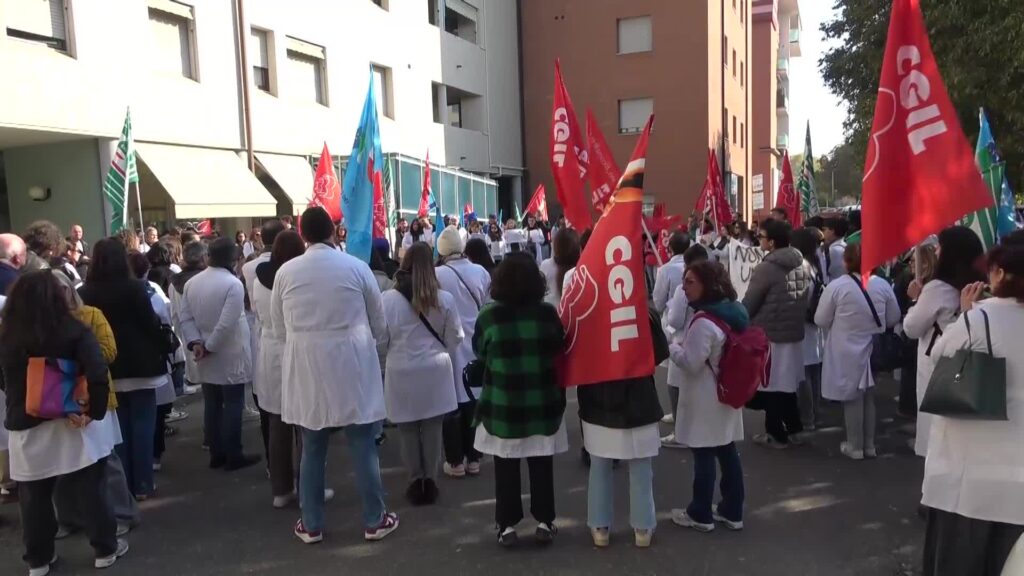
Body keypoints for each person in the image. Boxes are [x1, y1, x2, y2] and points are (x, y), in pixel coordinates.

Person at [271, 207, 398, 544]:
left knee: (313, 446)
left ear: (303, 235)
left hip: (307, 365)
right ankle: (375, 519)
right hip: (352, 363)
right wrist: (376, 355)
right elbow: (379, 325)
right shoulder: (356, 267)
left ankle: (311, 523)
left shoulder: (286, 273)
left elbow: (278, 329)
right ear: (333, 231)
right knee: (362, 443)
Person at [2, 271, 128, 573]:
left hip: (27, 421)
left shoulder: (7, 336)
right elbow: (97, 371)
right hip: (74, 419)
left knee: (34, 497)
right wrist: (94, 411)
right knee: (92, 488)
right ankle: (104, 549)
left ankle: (38, 560)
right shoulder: (74, 329)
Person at [921, 241, 1024, 575]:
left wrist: (965, 315)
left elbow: (938, 359)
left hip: (970, 476)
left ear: (1001, 273)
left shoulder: (980, 318)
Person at [473, 252, 567, 546]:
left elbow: (480, 351)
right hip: (543, 401)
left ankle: (506, 525)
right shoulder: (547, 314)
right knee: (541, 464)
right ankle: (545, 521)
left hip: (503, 404)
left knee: (505, 465)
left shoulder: (488, 316)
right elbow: (559, 347)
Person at [568, 268, 664, 548]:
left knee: (600, 464)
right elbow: (659, 354)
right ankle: (643, 528)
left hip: (598, 399)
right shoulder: (645, 314)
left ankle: (600, 527)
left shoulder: (587, 316)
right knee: (640, 465)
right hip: (639, 397)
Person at [79, 239, 169, 500]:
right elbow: (150, 323)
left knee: (118, 430)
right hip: (142, 364)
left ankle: (124, 486)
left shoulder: (84, 292)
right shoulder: (136, 288)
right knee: (143, 425)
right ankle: (143, 483)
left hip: (105, 366)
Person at [381, 243, 463, 505]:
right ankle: (430, 479)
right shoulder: (444, 299)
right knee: (432, 427)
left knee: (407, 428)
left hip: (401, 368)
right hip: (435, 368)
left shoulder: (388, 300)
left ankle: (416, 479)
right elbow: (456, 337)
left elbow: (381, 338)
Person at [667, 261, 746, 533]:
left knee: (703, 453)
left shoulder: (703, 321)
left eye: (690, 282)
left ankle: (700, 513)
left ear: (707, 284)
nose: (684, 287)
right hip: (727, 391)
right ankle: (732, 510)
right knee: (726, 450)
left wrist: (673, 348)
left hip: (706, 396)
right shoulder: (733, 310)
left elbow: (692, 363)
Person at [177, 238, 260, 472]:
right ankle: (233, 453)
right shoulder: (232, 284)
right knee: (233, 403)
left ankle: (217, 452)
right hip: (229, 350)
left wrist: (197, 343)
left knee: (212, 403)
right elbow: (227, 323)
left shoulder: (192, 283)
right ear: (233, 259)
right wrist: (209, 346)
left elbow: (185, 318)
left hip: (205, 351)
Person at [903, 226, 984, 457]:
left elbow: (911, 328)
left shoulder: (937, 288)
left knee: (936, 434)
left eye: (940, 247)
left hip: (937, 364)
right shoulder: (979, 285)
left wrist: (916, 300)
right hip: (968, 362)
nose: (936, 252)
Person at [815, 244, 900, 460]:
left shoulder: (837, 286)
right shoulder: (882, 284)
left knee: (852, 397)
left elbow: (821, 319)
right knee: (869, 396)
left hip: (845, 349)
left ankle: (855, 446)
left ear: (846, 262)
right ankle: (869, 445)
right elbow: (893, 317)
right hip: (874, 347)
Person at [252, 230, 310, 508]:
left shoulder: (257, 278)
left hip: (270, 350)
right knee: (306, 424)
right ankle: (310, 487)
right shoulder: (298, 277)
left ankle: (281, 489)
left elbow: (258, 312)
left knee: (277, 422)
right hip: (296, 347)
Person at [743, 219, 812, 448]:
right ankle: (794, 429)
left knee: (771, 386)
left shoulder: (766, 268)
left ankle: (775, 434)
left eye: (761, 236)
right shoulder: (804, 264)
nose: (758, 240)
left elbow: (750, 303)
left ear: (772, 242)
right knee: (787, 385)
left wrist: (740, 319)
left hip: (770, 335)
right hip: (793, 333)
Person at [435, 227, 492, 478]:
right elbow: (488, 304)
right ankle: (474, 457)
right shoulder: (480, 271)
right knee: (474, 399)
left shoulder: (436, 274)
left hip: (448, 343)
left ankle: (455, 460)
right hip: (476, 341)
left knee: (451, 402)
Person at [125, 251, 179, 472]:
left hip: (118, 364)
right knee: (151, 415)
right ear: (145, 270)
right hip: (149, 362)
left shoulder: (101, 292)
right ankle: (152, 458)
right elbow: (164, 321)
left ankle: (131, 466)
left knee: (126, 418)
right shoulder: (151, 293)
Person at [241, 220, 286, 462]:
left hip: (261, 333)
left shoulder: (249, 268)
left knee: (270, 409)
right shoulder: (289, 269)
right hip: (275, 333)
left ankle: (274, 465)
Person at [661, 244, 710, 446]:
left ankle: (681, 432)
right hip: (709, 342)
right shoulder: (716, 282)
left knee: (677, 388)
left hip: (684, 338)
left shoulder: (684, 288)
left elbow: (675, 319)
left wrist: (669, 312)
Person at [791, 227, 826, 431]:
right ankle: (814, 414)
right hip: (813, 328)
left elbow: (795, 299)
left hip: (803, 326)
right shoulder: (814, 264)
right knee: (813, 374)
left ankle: (807, 418)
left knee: (803, 376)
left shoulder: (800, 267)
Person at [169, 241, 206, 399]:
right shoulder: (206, 279)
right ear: (203, 257)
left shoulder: (174, 283)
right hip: (211, 341)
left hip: (189, 341)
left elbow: (174, 315)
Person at [653, 231, 692, 317]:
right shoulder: (697, 266)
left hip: (671, 317)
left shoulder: (665, 270)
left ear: (670, 248)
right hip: (694, 318)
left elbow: (659, 303)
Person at [540, 229, 580, 307]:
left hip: (551, 310)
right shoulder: (582, 268)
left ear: (555, 246)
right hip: (574, 310)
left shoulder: (545, 265)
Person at [821, 217, 850, 282]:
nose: (822, 232)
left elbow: (827, 272)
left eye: (824, 229)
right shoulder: (845, 246)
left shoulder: (834, 250)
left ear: (832, 231)